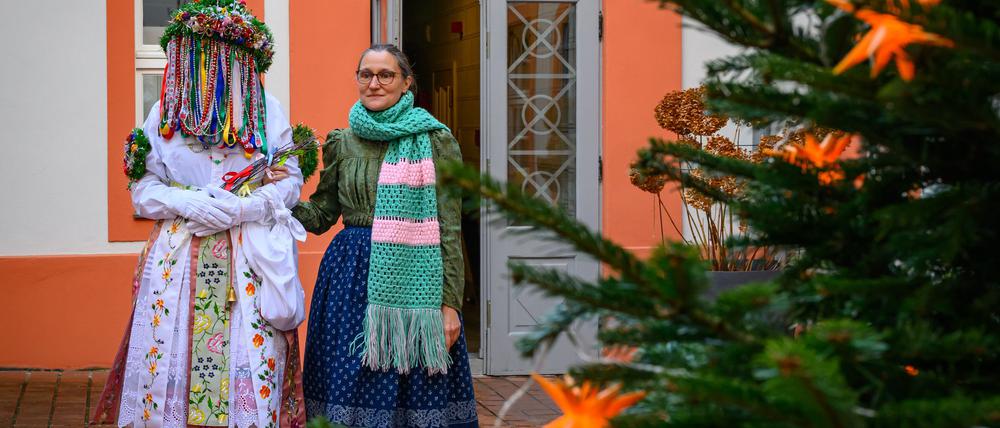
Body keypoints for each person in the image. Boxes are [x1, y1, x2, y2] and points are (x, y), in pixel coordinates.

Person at [93, 1, 307, 426]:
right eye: (202, 52)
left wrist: (243, 207)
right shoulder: (164, 112)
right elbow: (142, 187)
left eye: (222, 54)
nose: (213, 63)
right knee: (168, 355)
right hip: (178, 255)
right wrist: (183, 201)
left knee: (250, 354)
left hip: (248, 256)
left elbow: (291, 181)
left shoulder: (266, 109)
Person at [291, 44, 479, 427]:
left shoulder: (435, 141)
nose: (374, 83)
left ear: (406, 82)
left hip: (416, 282)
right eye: (366, 74)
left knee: (415, 386)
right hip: (348, 282)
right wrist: (276, 197)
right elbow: (322, 214)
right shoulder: (342, 142)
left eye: (386, 75)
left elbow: (449, 228)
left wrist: (450, 306)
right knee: (349, 383)